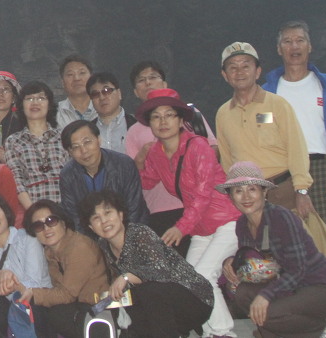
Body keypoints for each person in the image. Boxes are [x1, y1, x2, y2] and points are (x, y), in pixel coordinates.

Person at [263, 20, 326, 337]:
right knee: (288, 255)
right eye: (288, 41)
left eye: (300, 40)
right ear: (278, 49)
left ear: (310, 47)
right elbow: (262, 133)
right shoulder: (268, 91)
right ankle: (304, 327)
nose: (294, 47)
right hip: (284, 177)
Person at [133, 87, 238, 338]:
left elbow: (203, 195)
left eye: (169, 115)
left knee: (204, 276)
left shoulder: (198, 146)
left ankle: (222, 332)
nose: (163, 122)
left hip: (226, 221)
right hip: (201, 228)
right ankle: (212, 332)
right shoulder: (156, 153)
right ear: (150, 124)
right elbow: (146, 181)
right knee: (188, 281)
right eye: (156, 117)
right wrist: (134, 165)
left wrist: (181, 227)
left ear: (181, 120)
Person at [217, 162, 326, 338]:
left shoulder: (281, 217)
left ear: (264, 192)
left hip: (319, 288)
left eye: (252, 189)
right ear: (231, 197)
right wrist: (231, 262)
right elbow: (254, 262)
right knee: (243, 294)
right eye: (238, 191)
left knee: (268, 312)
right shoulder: (242, 225)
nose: (246, 197)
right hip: (286, 287)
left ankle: (324, 328)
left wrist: (265, 296)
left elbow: (298, 269)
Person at [82, 189, 213, 338]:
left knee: (148, 290)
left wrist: (126, 277)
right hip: (159, 308)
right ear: (91, 227)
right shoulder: (103, 246)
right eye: (96, 218)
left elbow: (160, 271)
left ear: (120, 214)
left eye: (108, 213)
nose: (104, 221)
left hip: (195, 298)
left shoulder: (139, 233)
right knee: (130, 298)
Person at [124, 60, 219, 248]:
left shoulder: (190, 116)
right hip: (158, 209)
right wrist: (142, 157)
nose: (148, 82)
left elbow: (213, 150)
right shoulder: (133, 132)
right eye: (141, 80)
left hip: (199, 204)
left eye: (153, 77)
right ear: (135, 92)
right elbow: (139, 179)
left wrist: (193, 173)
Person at [216, 43, 312, 214]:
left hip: (283, 191)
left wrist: (302, 190)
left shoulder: (277, 104)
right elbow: (227, 161)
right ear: (225, 75)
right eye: (233, 67)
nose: (239, 72)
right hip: (247, 198)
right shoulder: (223, 114)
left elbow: (296, 148)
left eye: (246, 66)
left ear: (257, 71)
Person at [22, 199, 109, 338]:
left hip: (99, 307)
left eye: (51, 221)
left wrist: (32, 293)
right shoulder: (50, 253)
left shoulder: (79, 247)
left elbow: (66, 294)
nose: (46, 229)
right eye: (38, 226)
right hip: (78, 308)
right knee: (41, 311)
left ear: (63, 222)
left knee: (57, 314)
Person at [0, 192, 50, 338]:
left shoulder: (28, 237)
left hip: (35, 302)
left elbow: (35, 282)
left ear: (5, 212)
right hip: (7, 305)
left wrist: (13, 283)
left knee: (32, 302)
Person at [58, 119, 148, 229]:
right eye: (76, 147)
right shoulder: (68, 175)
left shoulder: (124, 165)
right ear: (70, 152)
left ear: (99, 140)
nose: (84, 151)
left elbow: (134, 209)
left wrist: (123, 237)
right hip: (90, 235)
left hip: (131, 231)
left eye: (87, 142)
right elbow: (74, 219)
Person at [5, 81, 70, 210]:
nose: (35, 102)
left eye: (41, 98)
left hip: (66, 208)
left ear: (49, 105)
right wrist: (34, 213)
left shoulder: (64, 136)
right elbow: (17, 181)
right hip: (33, 209)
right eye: (29, 98)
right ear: (21, 106)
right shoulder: (13, 141)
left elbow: (74, 176)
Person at [86, 72, 134, 154]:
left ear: (119, 93)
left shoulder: (136, 124)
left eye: (106, 91)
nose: (102, 97)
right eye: (95, 94)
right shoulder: (87, 131)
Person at [55, 55, 96, 130]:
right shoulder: (55, 113)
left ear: (91, 77)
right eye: (70, 74)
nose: (77, 78)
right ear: (62, 82)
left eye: (82, 73)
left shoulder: (104, 107)